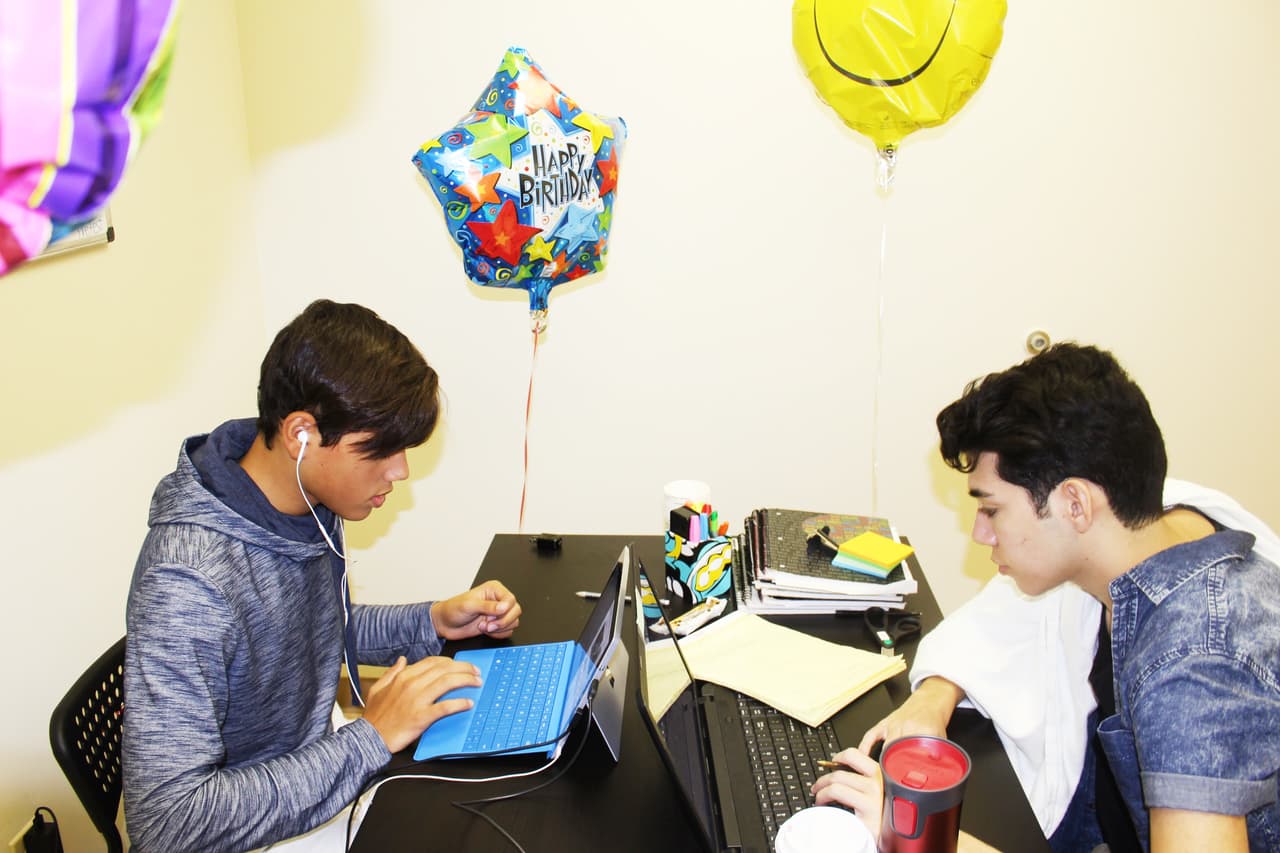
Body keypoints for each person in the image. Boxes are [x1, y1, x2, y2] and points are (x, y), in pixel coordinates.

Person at [813, 342, 1280, 852]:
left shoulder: (1192, 669)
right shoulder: (1155, 530)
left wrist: (916, 833)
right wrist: (933, 697)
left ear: (1075, 503)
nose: (980, 535)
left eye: (992, 510)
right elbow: (1007, 615)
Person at [123, 300, 523, 852]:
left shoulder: (307, 496)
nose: (400, 470)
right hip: (248, 832)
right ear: (301, 434)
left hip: (317, 766)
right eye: (380, 450)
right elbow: (168, 826)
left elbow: (306, 633)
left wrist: (433, 621)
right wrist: (371, 738)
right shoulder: (188, 583)